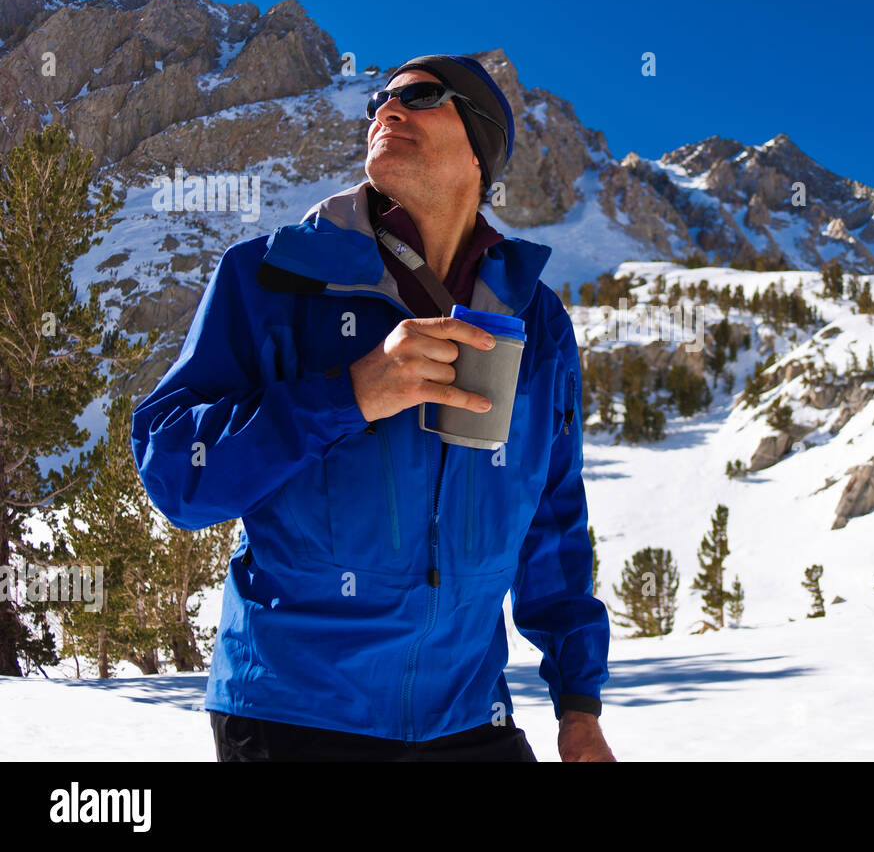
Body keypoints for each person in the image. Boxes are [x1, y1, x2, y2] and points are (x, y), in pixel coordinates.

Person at [131, 54, 614, 762]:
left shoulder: (534, 321)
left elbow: (552, 519)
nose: (386, 109)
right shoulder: (269, 278)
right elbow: (175, 475)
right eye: (380, 98)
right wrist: (349, 394)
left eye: (419, 96)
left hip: (469, 719)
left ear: (481, 147)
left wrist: (579, 705)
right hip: (295, 718)